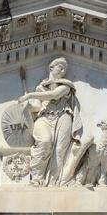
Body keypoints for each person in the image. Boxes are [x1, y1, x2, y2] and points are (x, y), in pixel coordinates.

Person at [18, 57, 83, 186]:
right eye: (60, 66)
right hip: (44, 117)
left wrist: (30, 95)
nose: (63, 69)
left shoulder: (66, 86)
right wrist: (28, 106)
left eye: (64, 68)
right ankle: (37, 178)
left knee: (60, 151)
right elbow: (37, 106)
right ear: (51, 68)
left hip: (63, 117)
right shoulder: (40, 88)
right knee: (44, 140)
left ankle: (54, 182)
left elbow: (54, 95)